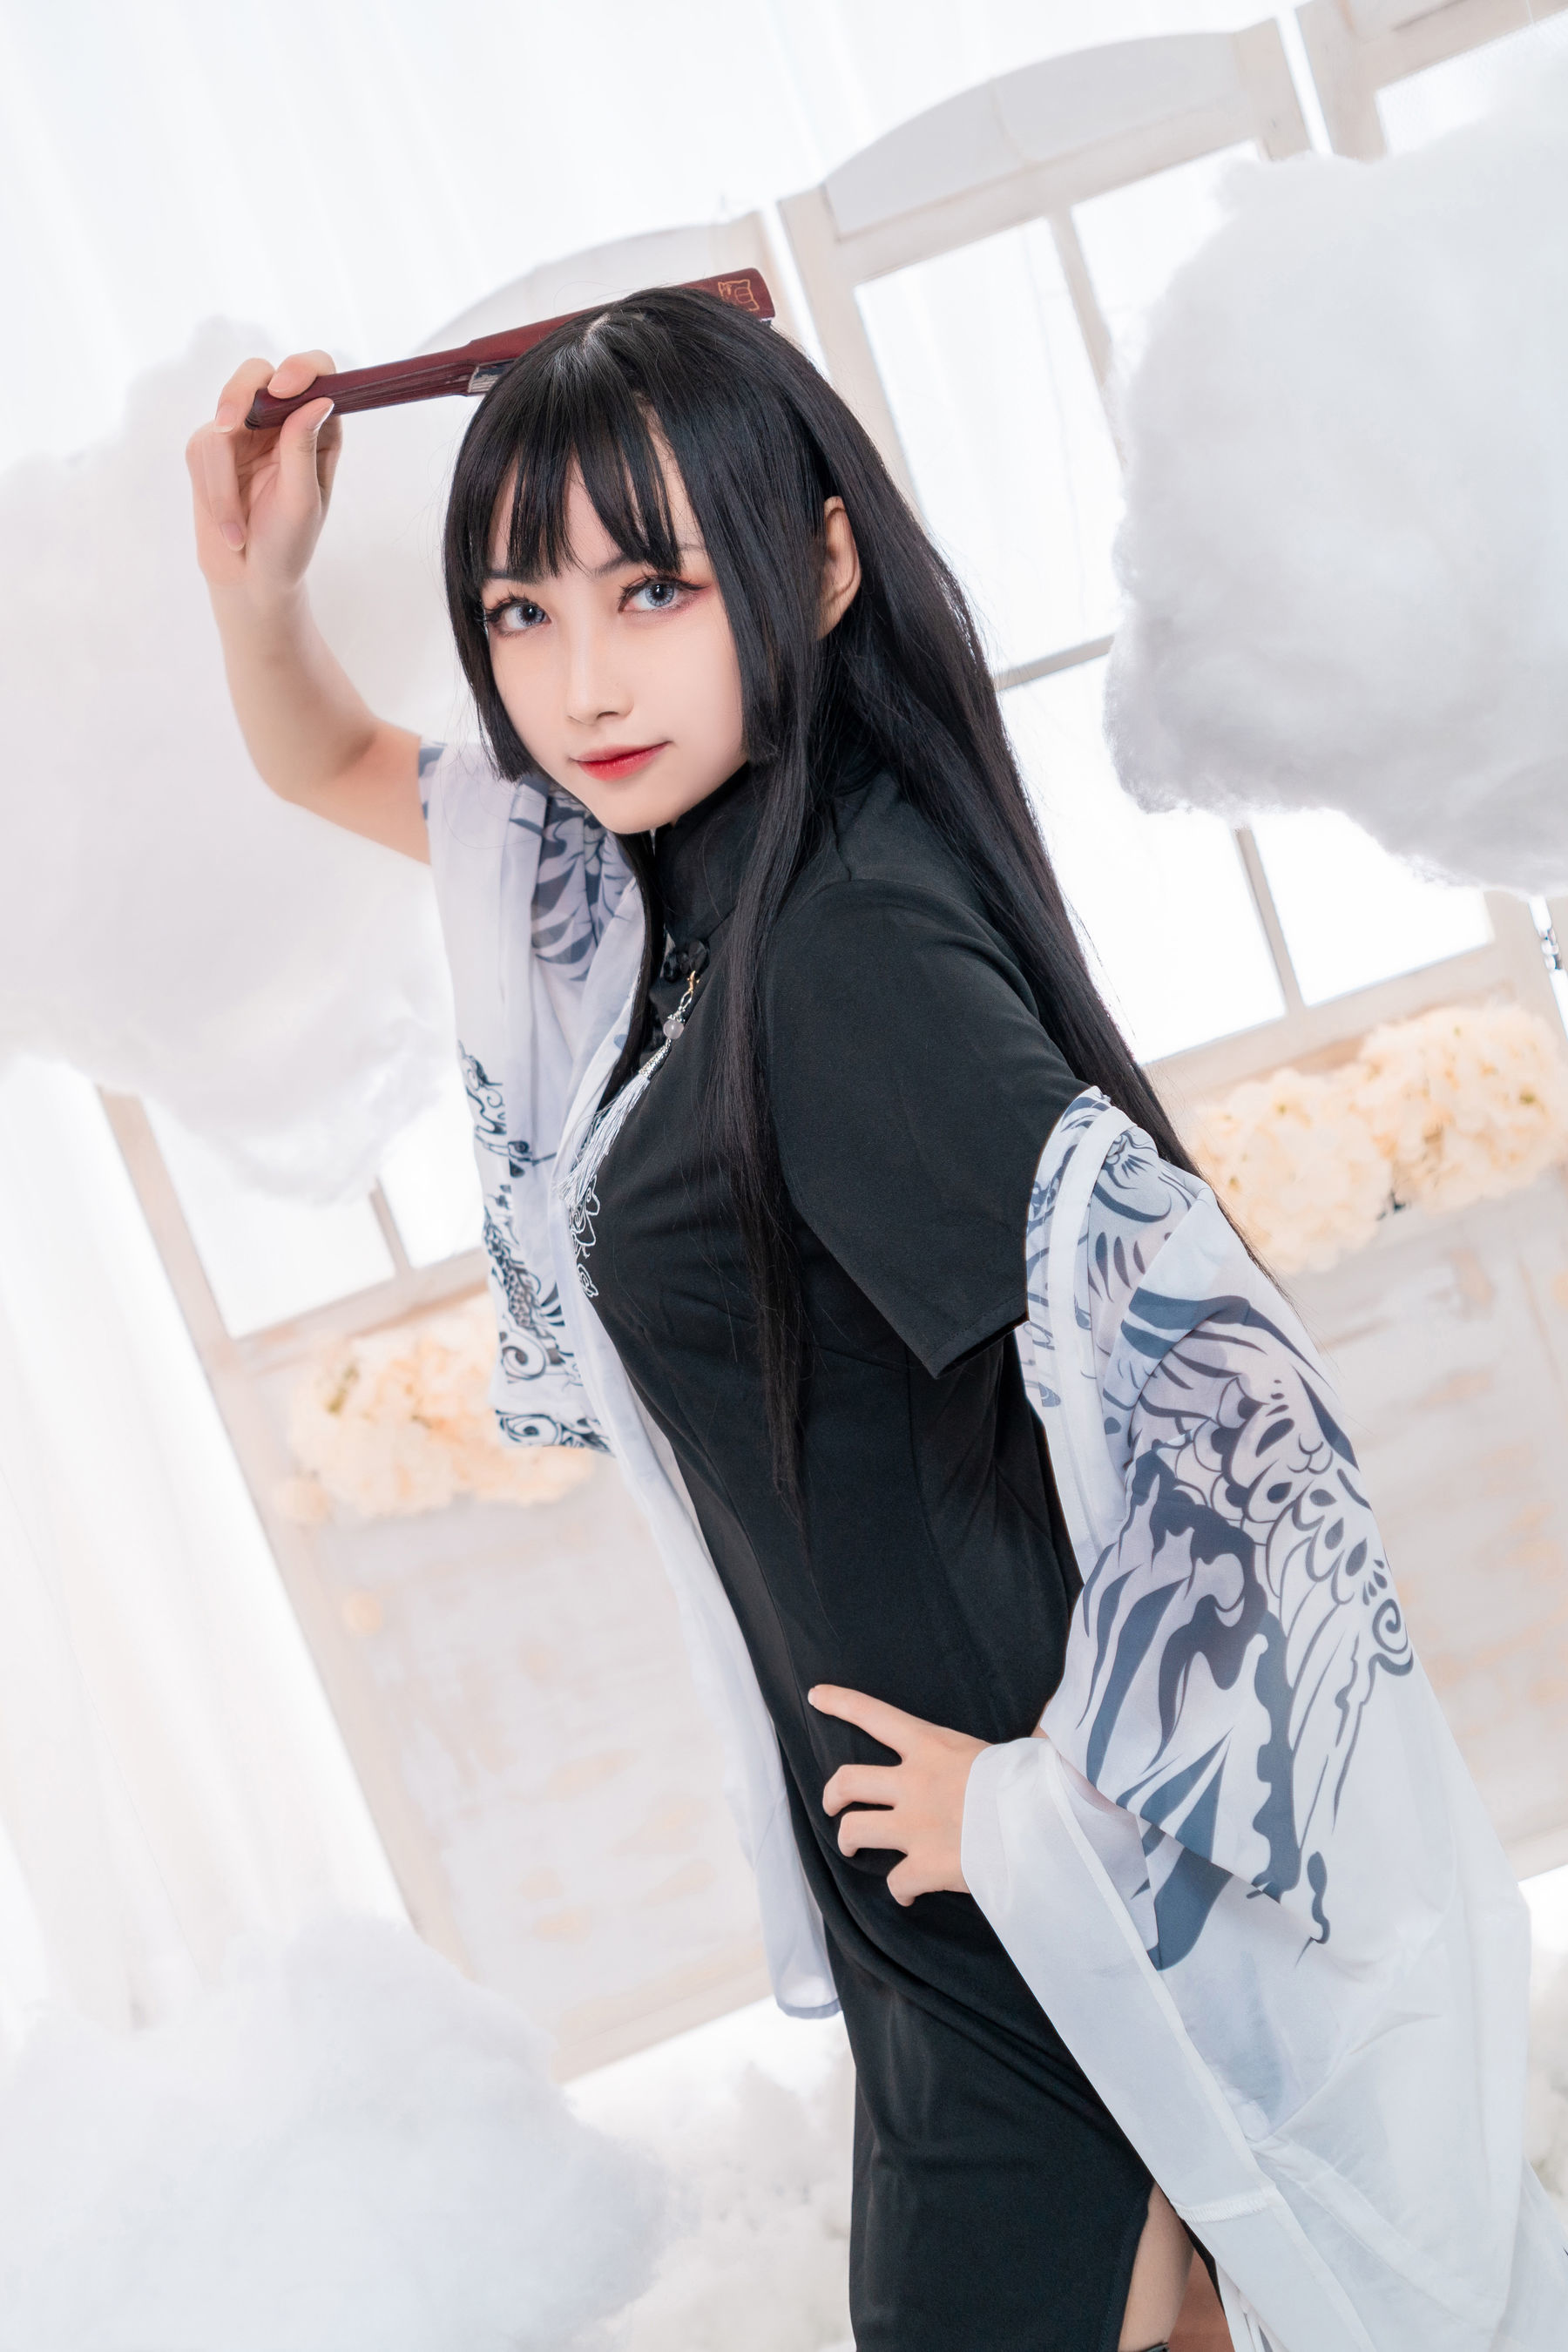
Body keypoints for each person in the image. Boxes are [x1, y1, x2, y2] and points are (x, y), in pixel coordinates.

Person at [188, 287, 1564, 2352]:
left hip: (1027, 1895)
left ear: (820, 562)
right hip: (952, 1905)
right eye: (521, 613)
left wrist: (1038, 1809)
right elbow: (339, 764)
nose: (580, 681)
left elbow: (1233, 1423)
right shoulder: (667, 883)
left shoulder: (843, 953)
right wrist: (257, 583)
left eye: (653, 588)